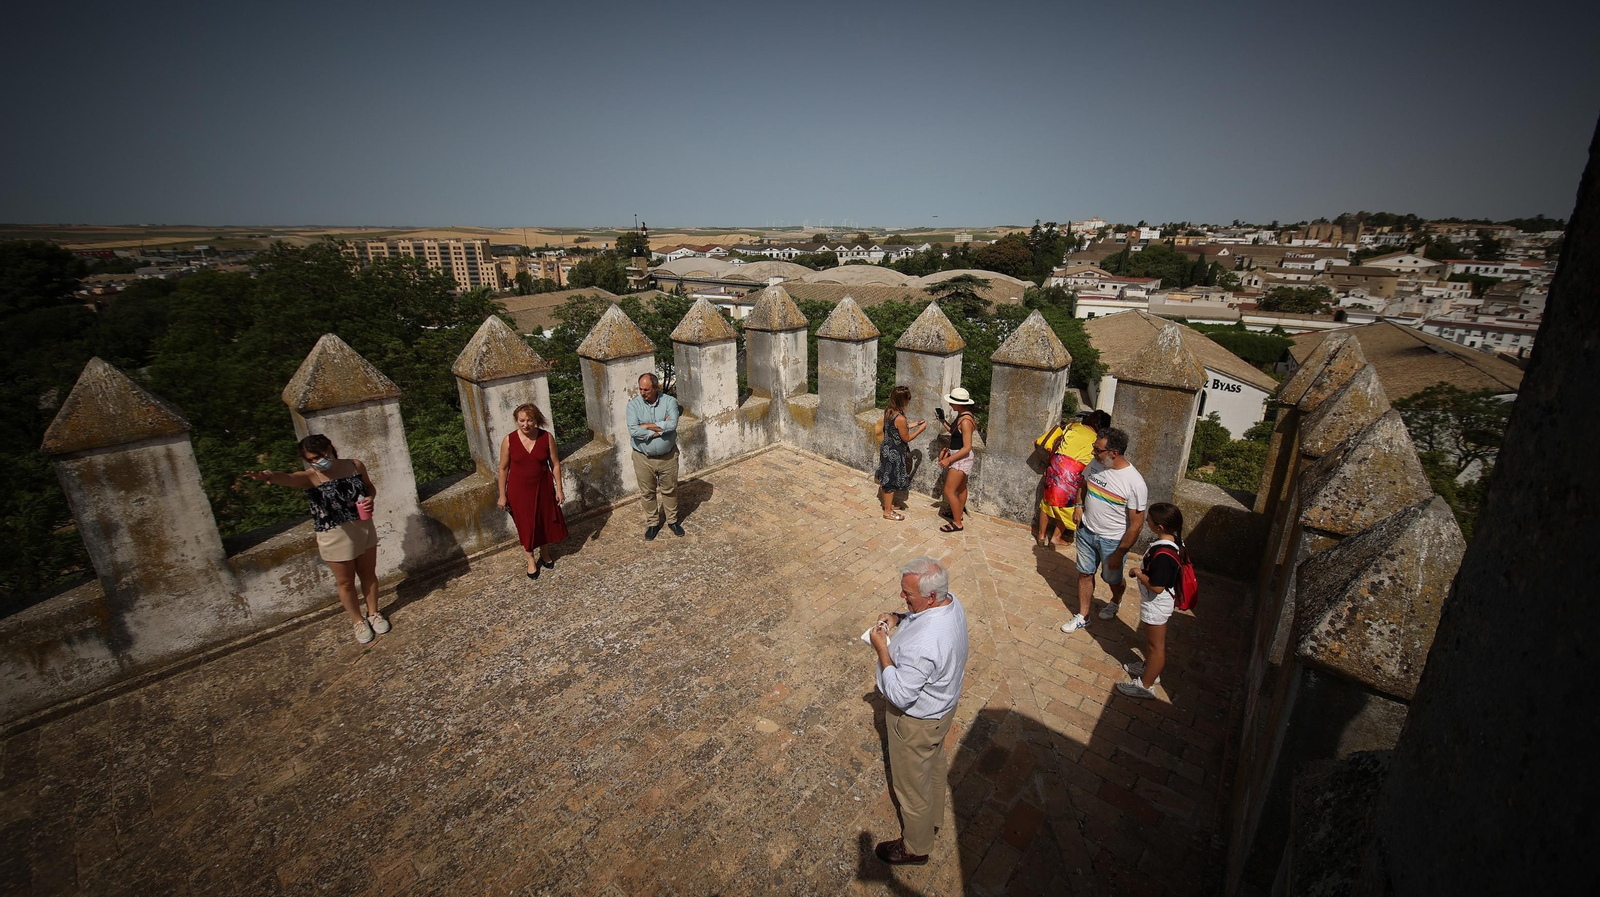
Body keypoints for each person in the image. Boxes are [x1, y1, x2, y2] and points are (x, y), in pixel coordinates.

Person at [868, 557, 969, 866]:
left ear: (929, 597)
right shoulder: (951, 602)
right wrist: (899, 617)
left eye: (907, 595)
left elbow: (898, 693)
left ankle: (916, 846)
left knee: (911, 787)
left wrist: (882, 648)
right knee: (933, 767)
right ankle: (932, 821)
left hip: (915, 722)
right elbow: (919, 618)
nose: (903, 597)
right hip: (941, 711)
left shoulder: (926, 643)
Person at [245, 435, 386, 644]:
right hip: (334, 535)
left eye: (320, 455)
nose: (318, 461)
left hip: (363, 528)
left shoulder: (355, 465)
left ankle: (373, 613)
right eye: (311, 459)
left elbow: (369, 487)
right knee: (345, 582)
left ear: (330, 448)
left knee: (368, 574)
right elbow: (290, 478)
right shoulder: (311, 477)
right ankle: (357, 621)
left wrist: (369, 499)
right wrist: (270, 475)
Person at [1060, 427, 1148, 634]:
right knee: (1084, 573)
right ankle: (1083, 616)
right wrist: (1079, 506)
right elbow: (1083, 484)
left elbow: (1137, 524)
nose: (1093, 452)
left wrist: (1120, 552)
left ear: (1114, 453)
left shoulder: (1135, 483)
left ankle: (1116, 600)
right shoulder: (1096, 464)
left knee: (1112, 579)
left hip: (1112, 541)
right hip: (1086, 531)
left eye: (1097, 449)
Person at [1117, 502, 1186, 699]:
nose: (1147, 520)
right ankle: (1148, 669)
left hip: (1157, 604)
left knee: (1156, 647)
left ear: (1160, 527)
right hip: (1155, 603)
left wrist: (1138, 572)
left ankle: (1145, 686)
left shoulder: (1164, 554)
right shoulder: (1172, 543)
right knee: (1151, 642)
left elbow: (1157, 586)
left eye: (1150, 519)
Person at [497, 402, 568, 579]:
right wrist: (502, 494)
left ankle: (544, 553)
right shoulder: (509, 440)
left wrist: (559, 489)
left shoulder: (546, 437)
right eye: (522, 420)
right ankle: (530, 558)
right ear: (516, 420)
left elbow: (555, 464)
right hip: (518, 491)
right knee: (525, 525)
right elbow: (503, 468)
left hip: (543, 487)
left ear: (536, 420)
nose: (525, 424)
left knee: (543, 521)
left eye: (529, 420)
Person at [1035, 409, 1110, 547]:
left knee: (1046, 503)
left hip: (1056, 466)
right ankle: (1055, 538)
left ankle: (1041, 536)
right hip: (1074, 473)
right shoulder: (1097, 440)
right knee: (1070, 506)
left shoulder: (1073, 426)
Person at [625, 372, 682, 540]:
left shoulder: (669, 402)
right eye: (640, 389)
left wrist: (647, 426)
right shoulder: (633, 406)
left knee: (670, 489)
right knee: (647, 492)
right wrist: (660, 429)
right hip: (643, 458)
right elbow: (634, 431)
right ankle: (652, 523)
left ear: (656, 388)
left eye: (646, 389)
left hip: (668, 457)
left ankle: (672, 520)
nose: (642, 393)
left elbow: (673, 425)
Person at [876, 386, 927, 520]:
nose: (909, 401)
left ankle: (888, 504)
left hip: (886, 448)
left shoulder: (889, 411)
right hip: (895, 452)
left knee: (885, 477)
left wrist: (915, 424)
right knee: (891, 480)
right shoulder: (900, 418)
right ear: (903, 400)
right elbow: (906, 438)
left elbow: (897, 428)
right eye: (908, 398)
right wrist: (921, 429)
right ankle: (888, 512)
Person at [936, 388, 978, 533]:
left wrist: (949, 460)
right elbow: (955, 433)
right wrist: (943, 421)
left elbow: (967, 447)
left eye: (953, 402)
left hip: (961, 458)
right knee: (961, 488)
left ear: (960, 404)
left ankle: (957, 523)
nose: (951, 405)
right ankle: (958, 513)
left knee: (949, 490)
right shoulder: (962, 416)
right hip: (959, 456)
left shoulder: (966, 421)